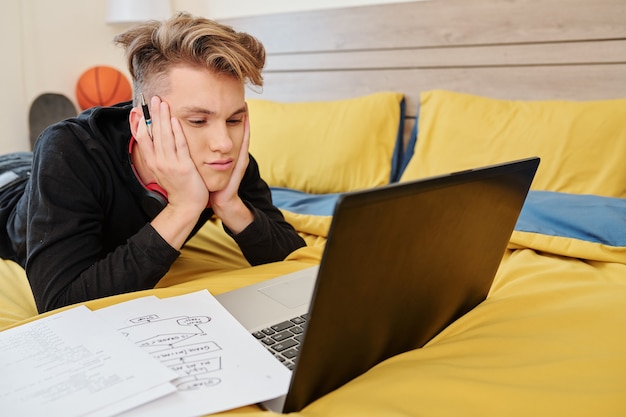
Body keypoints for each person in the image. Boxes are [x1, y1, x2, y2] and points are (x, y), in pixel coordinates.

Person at [0, 13, 306, 313]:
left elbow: (293, 260)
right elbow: (60, 305)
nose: (224, 142)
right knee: (41, 161)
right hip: (12, 187)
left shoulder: (223, 158)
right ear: (142, 123)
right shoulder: (68, 150)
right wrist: (183, 208)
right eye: (198, 120)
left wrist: (230, 203)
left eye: (235, 119)